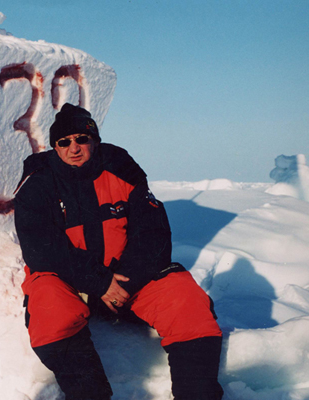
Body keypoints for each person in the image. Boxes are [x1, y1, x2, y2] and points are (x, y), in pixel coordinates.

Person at [13, 103, 224, 400]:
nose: (74, 148)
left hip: (127, 281)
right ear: (54, 146)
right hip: (73, 283)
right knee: (49, 309)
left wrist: (123, 283)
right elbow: (41, 250)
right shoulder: (38, 183)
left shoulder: (122, 170)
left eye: (82, 139)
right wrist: (100, 282)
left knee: (186, 300)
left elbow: (153, 235)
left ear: (94, 140)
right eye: (64, 142)